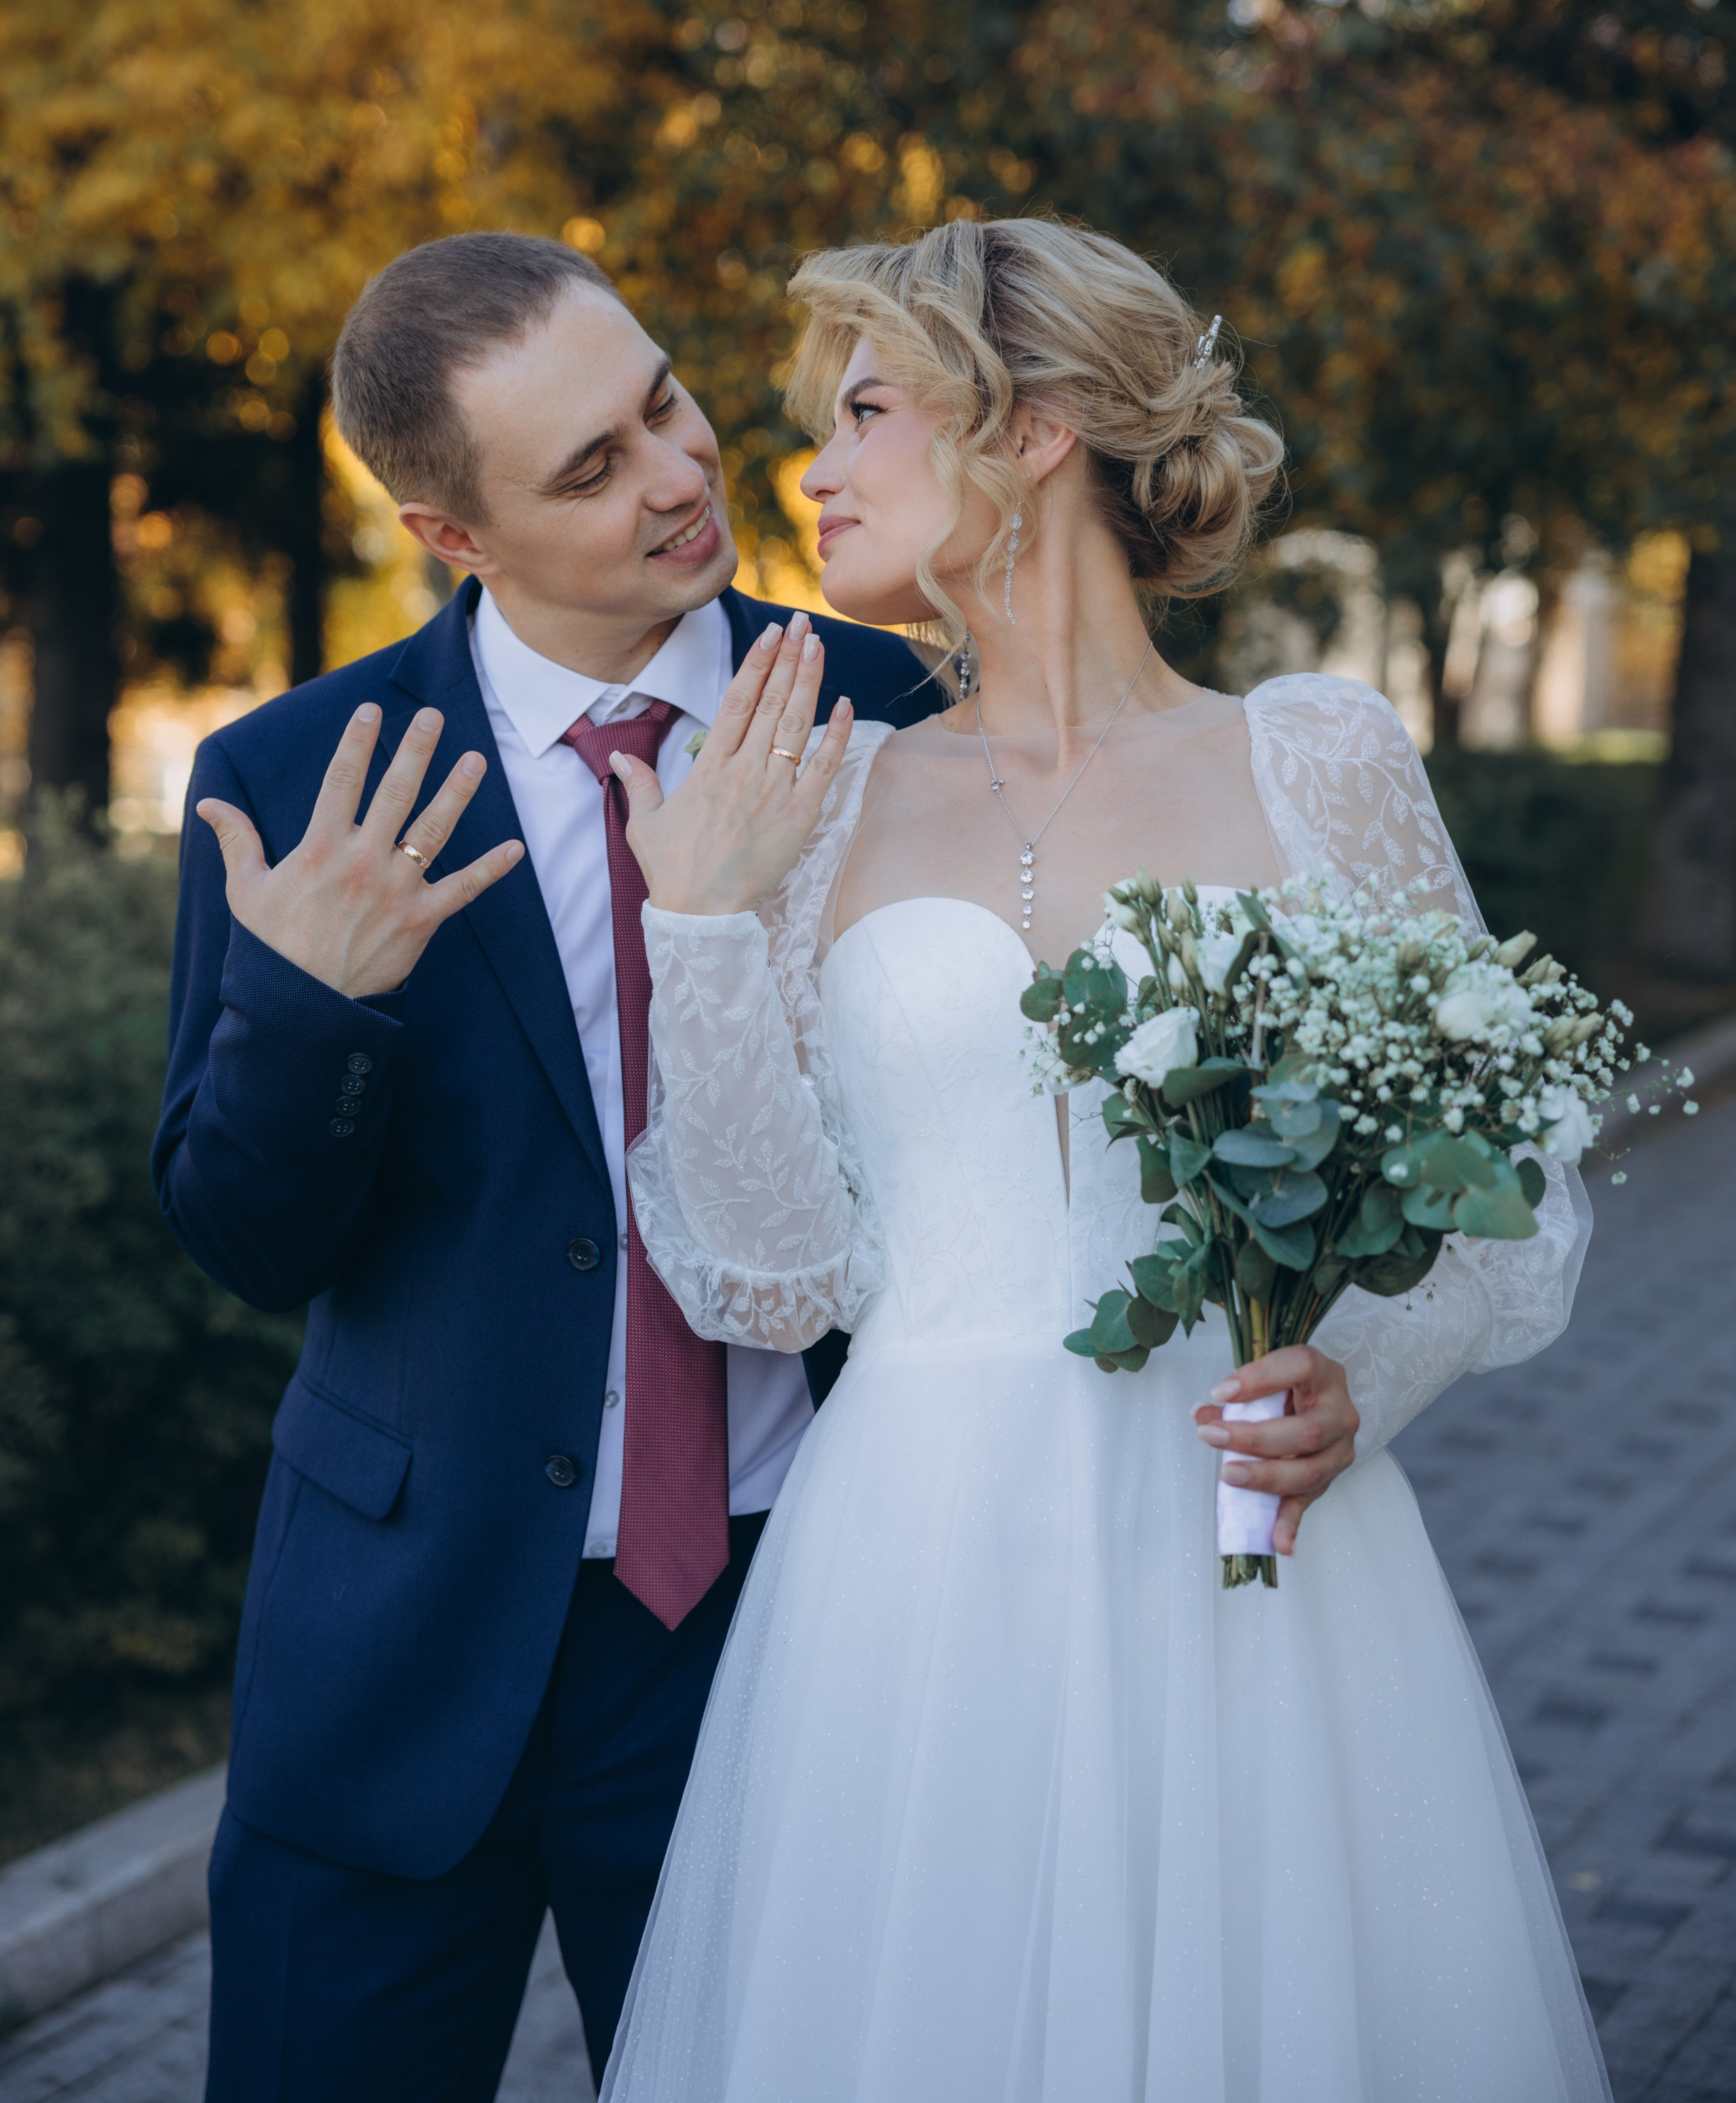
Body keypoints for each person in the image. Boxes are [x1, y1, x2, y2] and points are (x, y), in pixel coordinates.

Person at [597, 216, 1611, 2102]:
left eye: (869, 408)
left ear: (1039, 426)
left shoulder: (1321, 759)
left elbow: (1508, 1173)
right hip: (914, 1566)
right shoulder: (823, 800)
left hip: (1254, 1554)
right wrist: (703, 932)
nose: (811, 467)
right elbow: (775, 1280)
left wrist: (1353, 1384)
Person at [151, 230, 942, 2101]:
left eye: (662, 401)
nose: (678, 477)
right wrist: (313, 1012)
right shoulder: (299, 777)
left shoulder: (880, 709)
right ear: (453, 534)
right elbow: (243, 1234)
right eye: (589, 469)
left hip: (776, 1629)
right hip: (393, 1656)